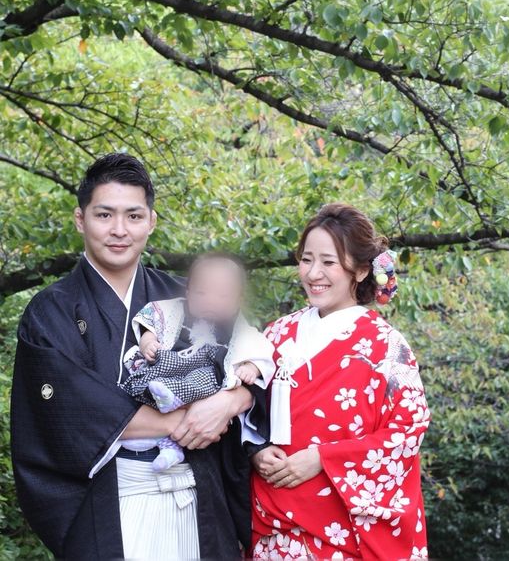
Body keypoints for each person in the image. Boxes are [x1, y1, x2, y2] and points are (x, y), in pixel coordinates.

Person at [11, 153, 265, 559]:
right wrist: (190, 421)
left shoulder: (189, 295)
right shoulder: (52, 310)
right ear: (80, 219)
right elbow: (70, 411)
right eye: (104, 215)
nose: (119, 230)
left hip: (197, 496)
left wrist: (232, 401)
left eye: (133, 216)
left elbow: (252, 356)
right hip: (112, 502)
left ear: (151, 221)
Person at [251, 203, 430, 560]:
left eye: (328, 262)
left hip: (340, 534)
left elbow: (408, 430)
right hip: (270, 532)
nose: (313, 273)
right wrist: (253, 450)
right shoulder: (276, 333)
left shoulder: (386, 346)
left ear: (361, 270)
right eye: (306, 260)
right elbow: (244, 408)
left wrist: (323, 457)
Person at [120, 252, 275, 472]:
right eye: (201, 293)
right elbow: (151, 320)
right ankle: (167, 429)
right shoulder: (173, 309)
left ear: (238, 300)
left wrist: (252, 367)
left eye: (223, 295)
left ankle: (172, 439)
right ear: (188, 292)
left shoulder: (241, 330)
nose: (211, 301)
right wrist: (148, 341)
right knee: (152, 371)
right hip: (168, 371)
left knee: (207, 379)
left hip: (203, 383)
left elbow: (262, 351)